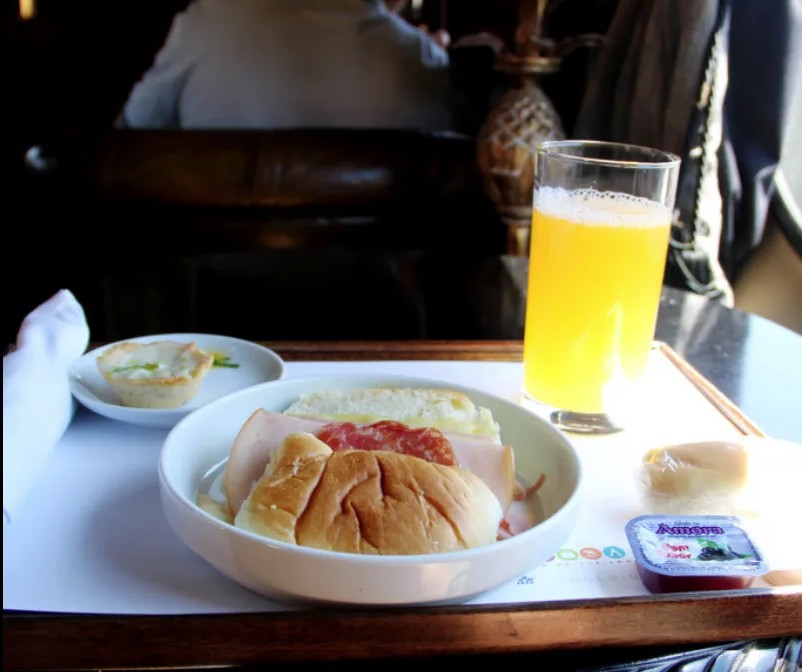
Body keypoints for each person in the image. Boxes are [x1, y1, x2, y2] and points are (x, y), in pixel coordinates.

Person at [118, 0, 461, 132]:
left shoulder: (206, 24)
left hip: (206, 280)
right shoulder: (419, 63)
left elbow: (131, 132)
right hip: (378, 283)